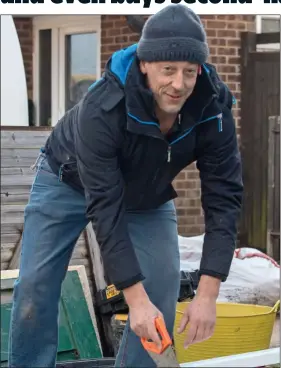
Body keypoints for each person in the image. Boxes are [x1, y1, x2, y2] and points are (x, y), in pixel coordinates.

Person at [8, 4, 243, 368]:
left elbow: (224, 198)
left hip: (147, 195)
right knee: (35, 289)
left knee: (161, 293)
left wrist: (209, 292)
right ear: (145, 63)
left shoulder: (214, 108)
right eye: (168, 70)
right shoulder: (104, 107)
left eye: (188, 71)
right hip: (67, 181)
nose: (178, 84)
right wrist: (133, 298)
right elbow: (105, 207)